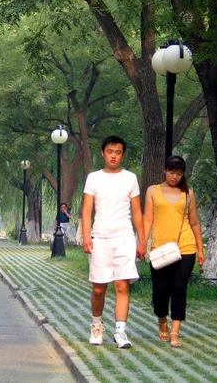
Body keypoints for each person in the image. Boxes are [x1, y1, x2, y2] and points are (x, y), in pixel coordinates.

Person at [81, 136, 146, 348]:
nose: (113, 156)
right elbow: (87, 210)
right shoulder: (93, 178)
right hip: (100, 237)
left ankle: (121, 331)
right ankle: (97, 325)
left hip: (124, 237)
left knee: (122, 286)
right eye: (110, 152)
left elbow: (137, 211)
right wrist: (86, 236)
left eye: (118, 152)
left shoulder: (130, 178)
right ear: (103, 153)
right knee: (99, 287)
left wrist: (142, 240)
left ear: (123, 155)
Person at [143, 156, 205, 348]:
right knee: (160, 291)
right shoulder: (153, 191)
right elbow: (147, 220)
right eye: (171, 172)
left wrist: (200, 248)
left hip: (185, 247)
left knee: (179, 287)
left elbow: (194, 222)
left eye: (178, 173)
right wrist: (142, 244)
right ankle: (162, 320)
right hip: (160, 249)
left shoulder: (188, 193)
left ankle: (175, 330)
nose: (174, 176)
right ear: (164, 170)